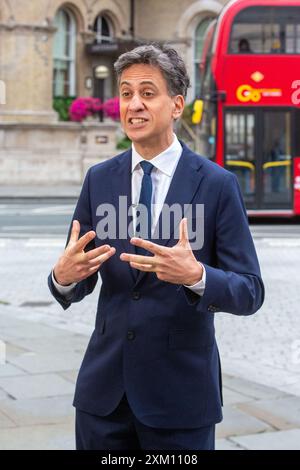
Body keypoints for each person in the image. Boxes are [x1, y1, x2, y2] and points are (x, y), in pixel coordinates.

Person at [48, 44, 264, 451]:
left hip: (180, 400)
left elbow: (250, 291)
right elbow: (76, 277)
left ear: (177, 105)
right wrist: (61, 278)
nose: (134, 105)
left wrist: (197, 277)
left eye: (148, 93)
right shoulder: (99, 179)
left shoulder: (217, 184)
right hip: (103, 399)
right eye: (126, 93)